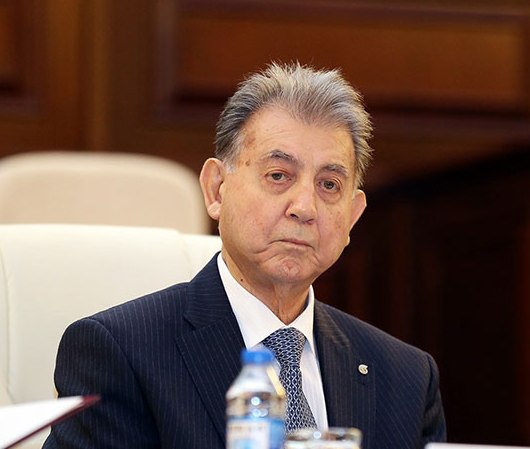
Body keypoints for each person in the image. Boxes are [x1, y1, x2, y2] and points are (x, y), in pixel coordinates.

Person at [43, 62, 446, 449]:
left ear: (353, 216)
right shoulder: (121, 353)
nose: (304, 207)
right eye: (278, 176)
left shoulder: (406, 378)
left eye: (328, 185)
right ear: (216, 189)